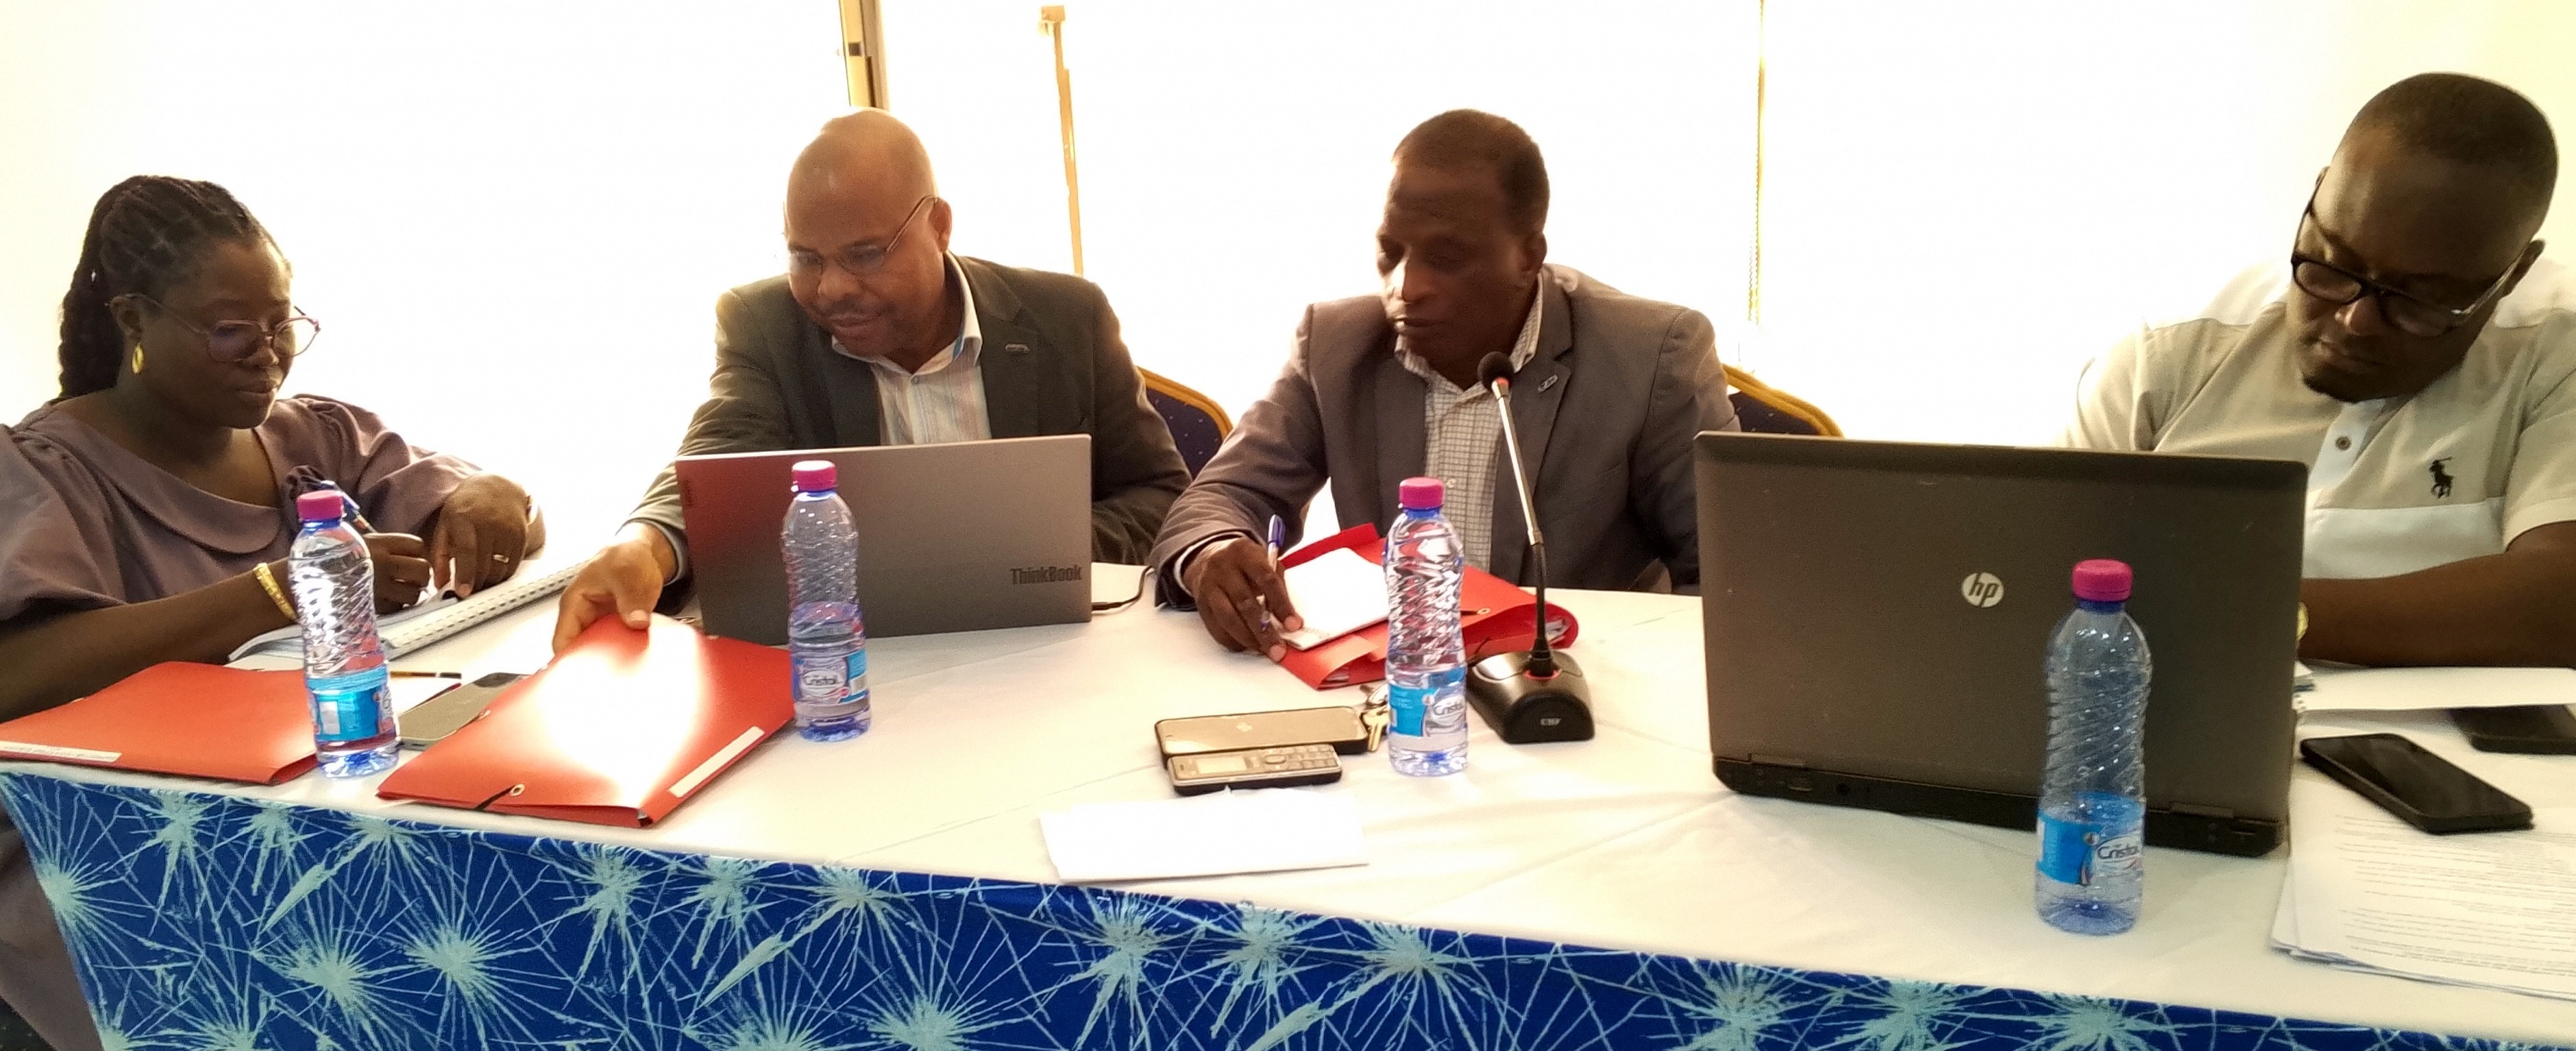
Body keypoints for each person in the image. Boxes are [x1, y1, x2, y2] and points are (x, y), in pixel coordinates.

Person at [0, 176, 543, 1051]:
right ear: (134, 321)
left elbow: (477, 508)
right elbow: (22, 670)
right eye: (231, 331)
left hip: (316, 798)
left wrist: (490, 495)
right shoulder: (44, 471)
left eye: (282, 324)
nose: (268, 355)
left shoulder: (311, 437)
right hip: (112, 842)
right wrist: (276, 592)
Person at [552, 110, 1188, 650]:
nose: (831, 289)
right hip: (856, 664)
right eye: (805, 258)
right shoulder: (765, 326)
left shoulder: (1066, 316)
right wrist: (645, 544)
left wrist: (1034, 555)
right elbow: (717, 458)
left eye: (864, 254)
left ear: (939, 225)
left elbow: (1159, 492)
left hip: (1050, 648)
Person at [1149, 110, 1739, 659]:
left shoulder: (1651, 355)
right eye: (1390, 252)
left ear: (1528, 256)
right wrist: (1211, 552)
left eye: (1446, 258)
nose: (1406, 287)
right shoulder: (1335, 344)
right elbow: (1220, 498)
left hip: (1577, 677)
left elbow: (1730, 572)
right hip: (1396, 680)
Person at [2063, 73, 2576, 668]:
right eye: (2331, 264)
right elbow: (2030, 559)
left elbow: (2559, 604)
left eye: (2418, 301)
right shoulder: (2169, 355)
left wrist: (2242, 612)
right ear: (2314, 199)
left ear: (2514, 273)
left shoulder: (2553, 355)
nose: (2354, 319)